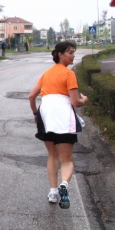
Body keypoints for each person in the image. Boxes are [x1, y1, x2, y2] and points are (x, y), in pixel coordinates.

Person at [28, 41, 88, 209]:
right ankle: (64, 185)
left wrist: (35, 114)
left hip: (46, 115)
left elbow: (31, 96)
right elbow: (75, 102)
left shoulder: (46, 74)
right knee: (66, 159)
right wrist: (84, 100)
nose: (73, 55)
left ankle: (53, 192)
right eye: (70, 52)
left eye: (74, 52)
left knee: (52, 155)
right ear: (60, 54)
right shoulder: (69, 74)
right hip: (63, 116)